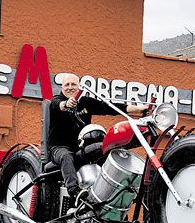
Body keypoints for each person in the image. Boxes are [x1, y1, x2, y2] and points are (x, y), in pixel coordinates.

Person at [47, 73, 149, 202]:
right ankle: (74, 191)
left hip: (79, 148)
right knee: (66, 156)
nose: (70, 87)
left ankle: (114, 191)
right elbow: (58, 105)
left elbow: (110, 107)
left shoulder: (85, 102)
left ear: (79, 87)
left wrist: (138, 109)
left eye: (73, 84)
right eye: (67, 85)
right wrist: (66, 104)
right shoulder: (56, 100)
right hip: (59, 148)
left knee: (102, 150)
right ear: (62, 88)